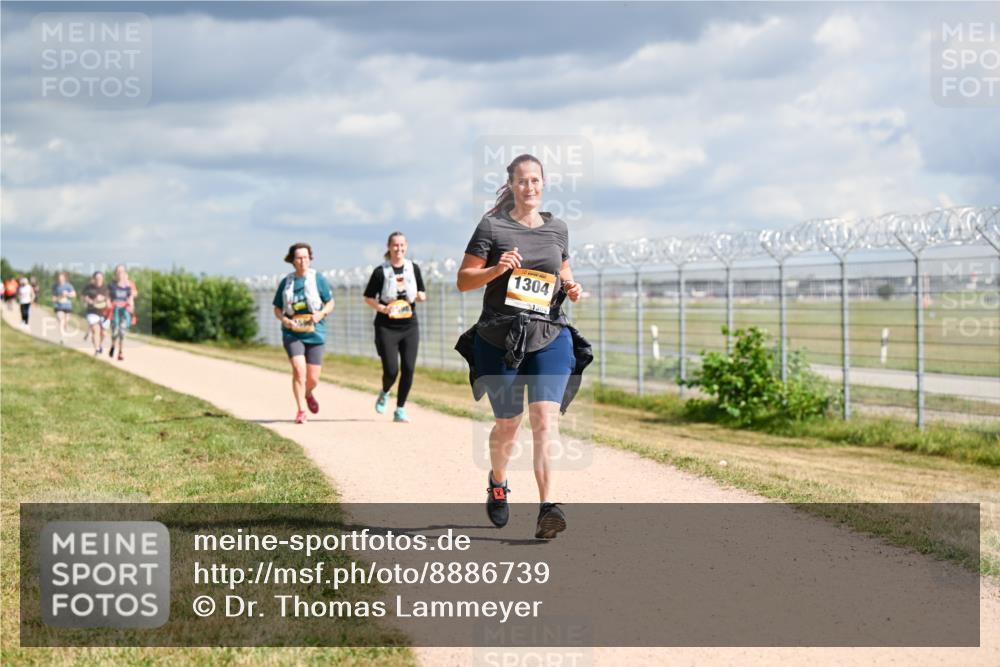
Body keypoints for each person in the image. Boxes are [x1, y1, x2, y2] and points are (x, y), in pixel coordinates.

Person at [456, 153, 591, 540]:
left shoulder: (557, 229)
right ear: (511, 185)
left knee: (545, 421)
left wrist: (573, 288)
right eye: (522, 181)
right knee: (508, 425)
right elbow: (464, 280)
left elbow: (562, 275)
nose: (529, 187)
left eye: (535, 181)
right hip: (501, 339)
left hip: (549, 334)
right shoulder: (492, 227)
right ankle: (498, 481)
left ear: (543, 184)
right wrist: (497, 269)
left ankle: (549, 507)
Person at [363, 232, 427, 423]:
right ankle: (385, 391)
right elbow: (368, 297)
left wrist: (421, 296)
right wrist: (382, 308)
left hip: (409, 325)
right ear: (389, 247)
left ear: (406, 246)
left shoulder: (413, 268)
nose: (398, 249)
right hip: (387, 326)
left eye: (402, 245)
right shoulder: (380, 271)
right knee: (391, 370)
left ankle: (400, 409)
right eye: (395, 245)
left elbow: (422, 291)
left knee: (408, 367)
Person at [272, 242, 335, 424]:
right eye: (299, 258)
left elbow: (330, 303)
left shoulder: (318, 279)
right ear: (292, 260)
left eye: (306, 257)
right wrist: (284, 320)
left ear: (310, 258)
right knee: (299, 371)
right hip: (293, 332)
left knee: (313, 378)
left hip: (315, 332)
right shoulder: (287, 282)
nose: (302, 261)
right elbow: (277, 308)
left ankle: (308, 393)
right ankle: (301, 411)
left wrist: (321, 313)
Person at [107, 265, 137, 361]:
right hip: (114, 311)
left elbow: (132, 297)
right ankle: (113, 345)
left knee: (122, 332)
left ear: (125, 273)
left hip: (124, 311)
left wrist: (131, 306)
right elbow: (107, 296)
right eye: (118, 272)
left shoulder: (129, 285)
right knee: (114, 332)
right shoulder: (112, 285)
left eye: (122, 272)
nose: (120, 274)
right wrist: (108, 303)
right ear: (115, 274)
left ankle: (121, 352)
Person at [83, 271, 110, 355]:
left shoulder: (106, 288)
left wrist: (105, 300)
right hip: (92, 312)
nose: (98, 280)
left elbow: (108, 300)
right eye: (97, 278)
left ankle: (99, 345)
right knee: (96, 330)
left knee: (104, 333)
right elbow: (84, 297)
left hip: (104, 313)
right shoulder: (88, 287)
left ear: (102, 279)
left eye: (100, 278)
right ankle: (97, 349)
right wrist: (92, 301)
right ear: (94, 279)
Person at [51, 272, 77, 343]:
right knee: (61, 319)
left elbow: (74, 294)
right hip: (58, 306)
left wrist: (67, 294)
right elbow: (53, 298)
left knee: (65, 322)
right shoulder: (55, 286)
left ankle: (64, 334)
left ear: (64, 278)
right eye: (59, 278)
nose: (60, 279)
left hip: (67, 306)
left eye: (62, 278)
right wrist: (60, 297)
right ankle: (62, 336)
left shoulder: (68, 286)